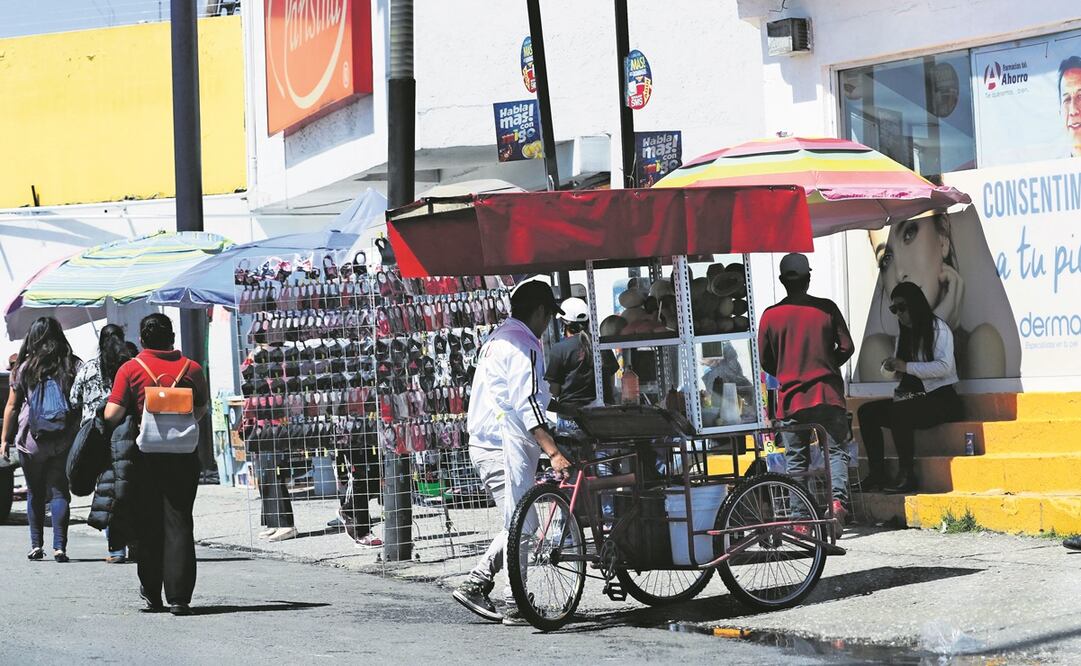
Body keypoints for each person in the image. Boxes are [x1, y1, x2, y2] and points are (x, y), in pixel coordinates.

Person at [452, 281, 572, 626]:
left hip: (488, 441)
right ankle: (506, 596)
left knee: (519, 521)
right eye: (549, 316)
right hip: (502, 444)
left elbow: (527, 395)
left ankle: (485, 585)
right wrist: (553, 450)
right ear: (540, 312)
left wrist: (561, 409)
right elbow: (525, 402)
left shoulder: (499, 337)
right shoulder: (522, 343)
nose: (548, 324)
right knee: (522, 523)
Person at [104, 314, 209, 616]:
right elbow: (200, 408)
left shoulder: (131, 369)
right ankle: (180, 598)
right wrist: (178, 426)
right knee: (180, 522)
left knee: (149, 524)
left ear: (142, 338)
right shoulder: (192, 369)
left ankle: (152, 593)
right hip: (183, 457)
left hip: (145, 456)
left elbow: (112, 414)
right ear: (173, 336)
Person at [758, 253, 855, 526]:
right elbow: (847, 347)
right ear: (808, 278)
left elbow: (765, 361)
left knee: (797, 460)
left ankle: (801, 521)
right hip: (827, 393)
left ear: (781, 280)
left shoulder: (770, 316)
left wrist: (789, 371)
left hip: (792, 399)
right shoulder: (827, 308)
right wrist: (826, 365)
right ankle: (836, 503)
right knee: (835, 452)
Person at [858, 212, 1006, 380]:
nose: (899, 273)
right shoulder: (877, 351)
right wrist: (937, 327)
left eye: (909, 235)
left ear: (942, 237)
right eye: (886, 259)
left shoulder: (983, 344)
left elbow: (935, 397)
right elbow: (911, 402)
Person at [856, 282, 962, 493]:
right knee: (866, 412)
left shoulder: (937, 328)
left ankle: (907, 474)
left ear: (915, 305)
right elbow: (901, 372)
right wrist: (892, 367)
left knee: (900, 413)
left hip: (941, 399)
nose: (899, 314)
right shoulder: (903, 335)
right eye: (894, 309)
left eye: (902, 308)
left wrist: (907, 366)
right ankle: (877, 472)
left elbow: (944, 367)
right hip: (913, 397)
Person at [1, 317, 80, 562]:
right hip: (63, 437)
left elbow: (12, 407)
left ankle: (36, 545)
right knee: (59, 492)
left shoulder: (24, 368)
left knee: (35, 492)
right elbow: (80, 402)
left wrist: (4, 439)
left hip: (31, 438)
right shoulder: (72, 365)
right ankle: (60, 547)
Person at [70, 324, 134, 562]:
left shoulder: (88, 369)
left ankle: (116, 549)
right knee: (127, 488)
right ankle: (130, 544)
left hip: (95, 436)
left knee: (106, 489)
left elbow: (73, 399)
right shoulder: (128, 366)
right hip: (126, 433)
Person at [544, 297, 617, 429]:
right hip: (604, 417)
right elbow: (611, 383)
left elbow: (553, 392)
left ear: (564, 323)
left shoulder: (559, 349)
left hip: (572, 419)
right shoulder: (602, 345)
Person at [1060, 56, 1081, 157]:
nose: (1073, 110)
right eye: (1067, 99)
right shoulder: (1051, 170)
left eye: (1080, 96)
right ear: (1060, 113)